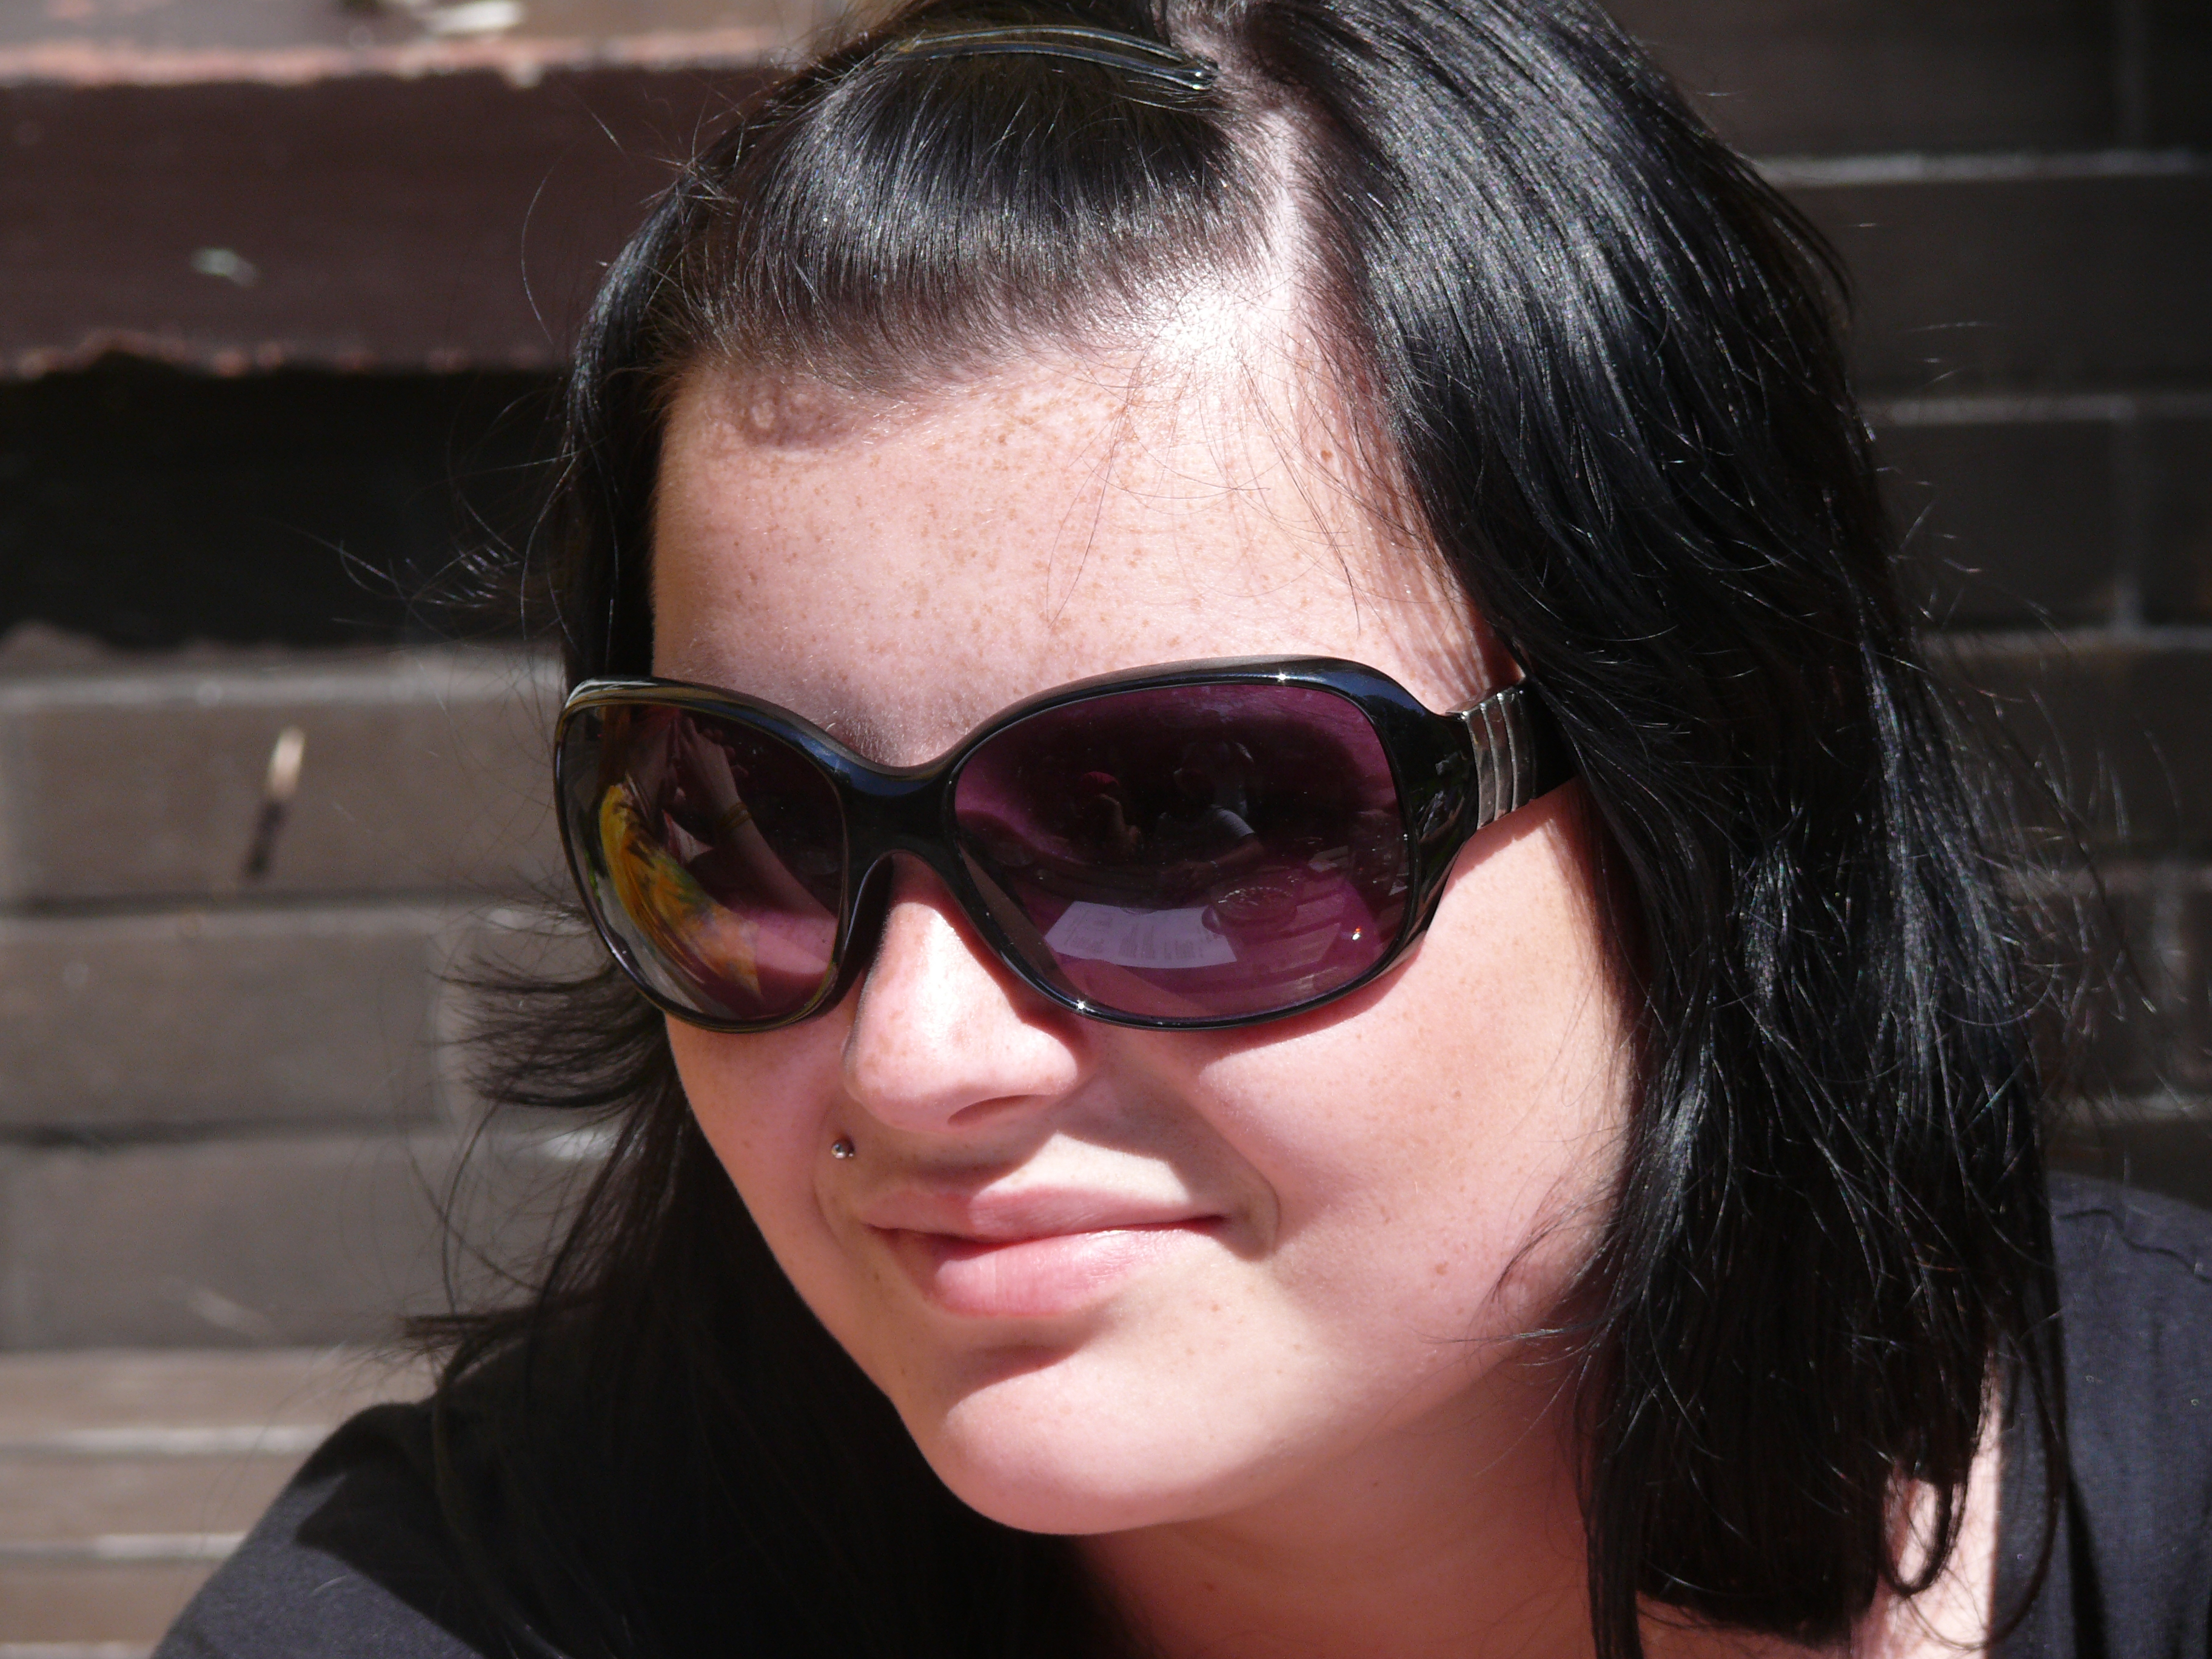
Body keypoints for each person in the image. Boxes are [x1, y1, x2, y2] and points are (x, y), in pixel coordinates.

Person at [156, 0, 2212, 1655]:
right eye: (745, 820)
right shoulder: (447, 1608)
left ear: (1703, 788)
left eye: (1196, 821)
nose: (915, 1060)